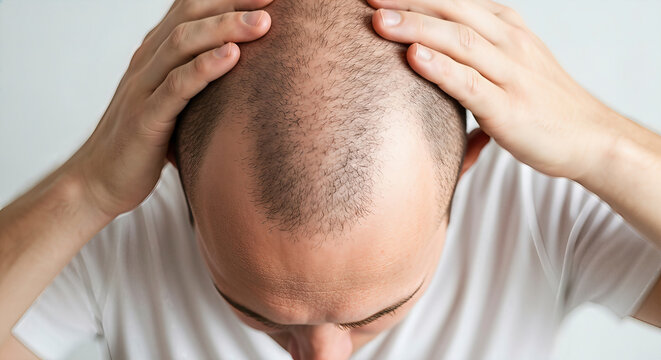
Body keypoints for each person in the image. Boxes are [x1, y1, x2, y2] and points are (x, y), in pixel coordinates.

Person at [1, 0, 660, 359]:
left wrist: (606, 147)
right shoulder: (124, 220)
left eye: (379, 314)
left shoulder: (539, 205)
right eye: (254, 312)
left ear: (467, 161)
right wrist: (85, 188)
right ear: (175, 167)